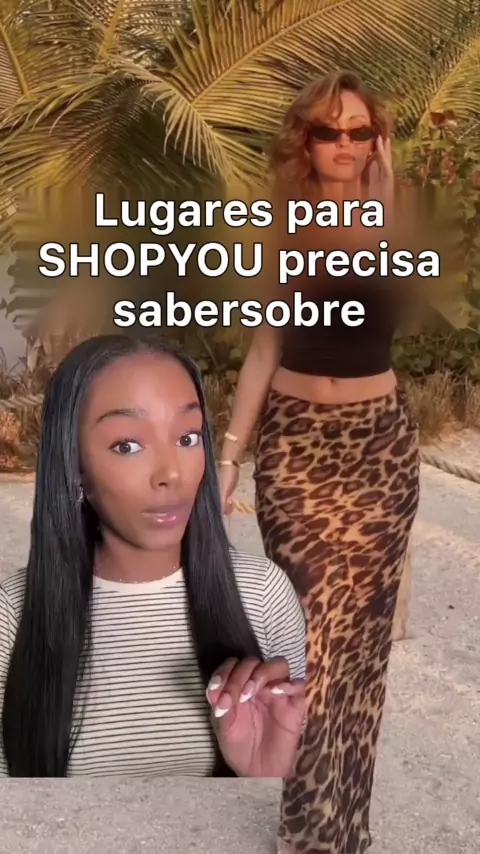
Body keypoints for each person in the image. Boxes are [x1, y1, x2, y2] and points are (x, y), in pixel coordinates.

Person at [218, 70, 420, 853]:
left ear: (377, 142)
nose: (343, 143)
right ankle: (306, 829)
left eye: (359, 131)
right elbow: (264, 347)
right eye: (328, 130)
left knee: (358, 649)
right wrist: (230, 457)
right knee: (309, 643)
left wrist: (384, 191)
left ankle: (346, 826)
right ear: (303, 139)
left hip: (378, 450)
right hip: (296, 449)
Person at [0, 332, 306, 778]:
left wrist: (267, 776)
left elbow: (309, 796)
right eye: (127, 445)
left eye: (188, 437)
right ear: (74, 466)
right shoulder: (13, 613)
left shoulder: (263, 594)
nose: (171, 474)